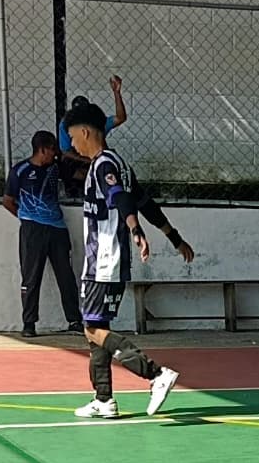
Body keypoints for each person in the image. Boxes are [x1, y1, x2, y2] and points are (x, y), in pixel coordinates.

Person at [65, 99, 184, 420]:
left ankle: (155, 373)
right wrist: (174, 237)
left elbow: (119, 198)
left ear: (85, 132)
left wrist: (135, 229)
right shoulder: (120, 163)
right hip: (113, 260)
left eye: (73, 137)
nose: (72, 144)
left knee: (92, 329)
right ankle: (103, 399)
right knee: (97, 327)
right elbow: (144, 202)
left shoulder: (103, 165)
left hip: (103, 260)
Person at [2, 130, 80, 337]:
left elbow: (76, 174)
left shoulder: (55, 168)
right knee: (31, 276)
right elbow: (7, 201)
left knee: (66, 275)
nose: (54, 154)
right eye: (52, 149)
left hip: (57, 228)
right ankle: (29, 323)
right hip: (32, 229)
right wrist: (26, 218)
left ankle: (74, 320)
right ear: (42, 149)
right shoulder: (20, 171)